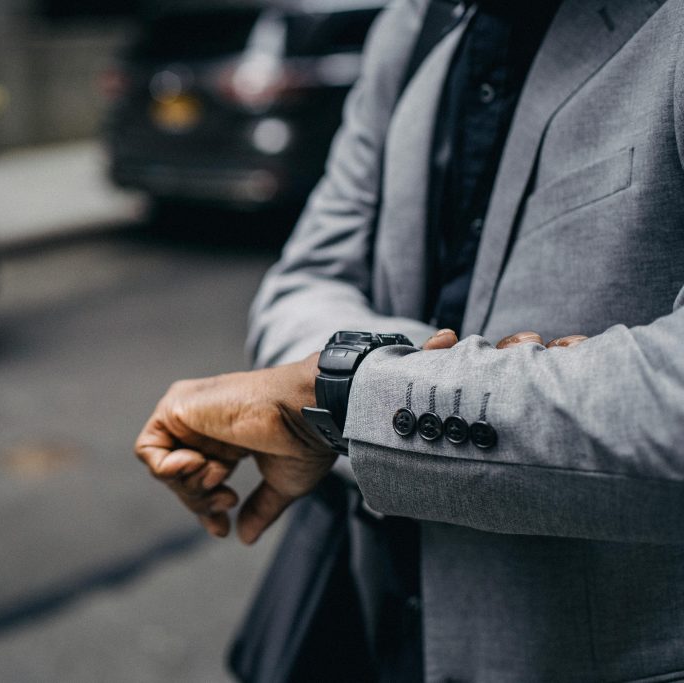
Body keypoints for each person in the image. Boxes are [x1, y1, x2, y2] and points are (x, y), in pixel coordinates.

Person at [135, 0, 684, 679]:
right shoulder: (410, 24)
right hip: (382, 629)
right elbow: (300, 283)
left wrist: (333, 399)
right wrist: (454, 386)